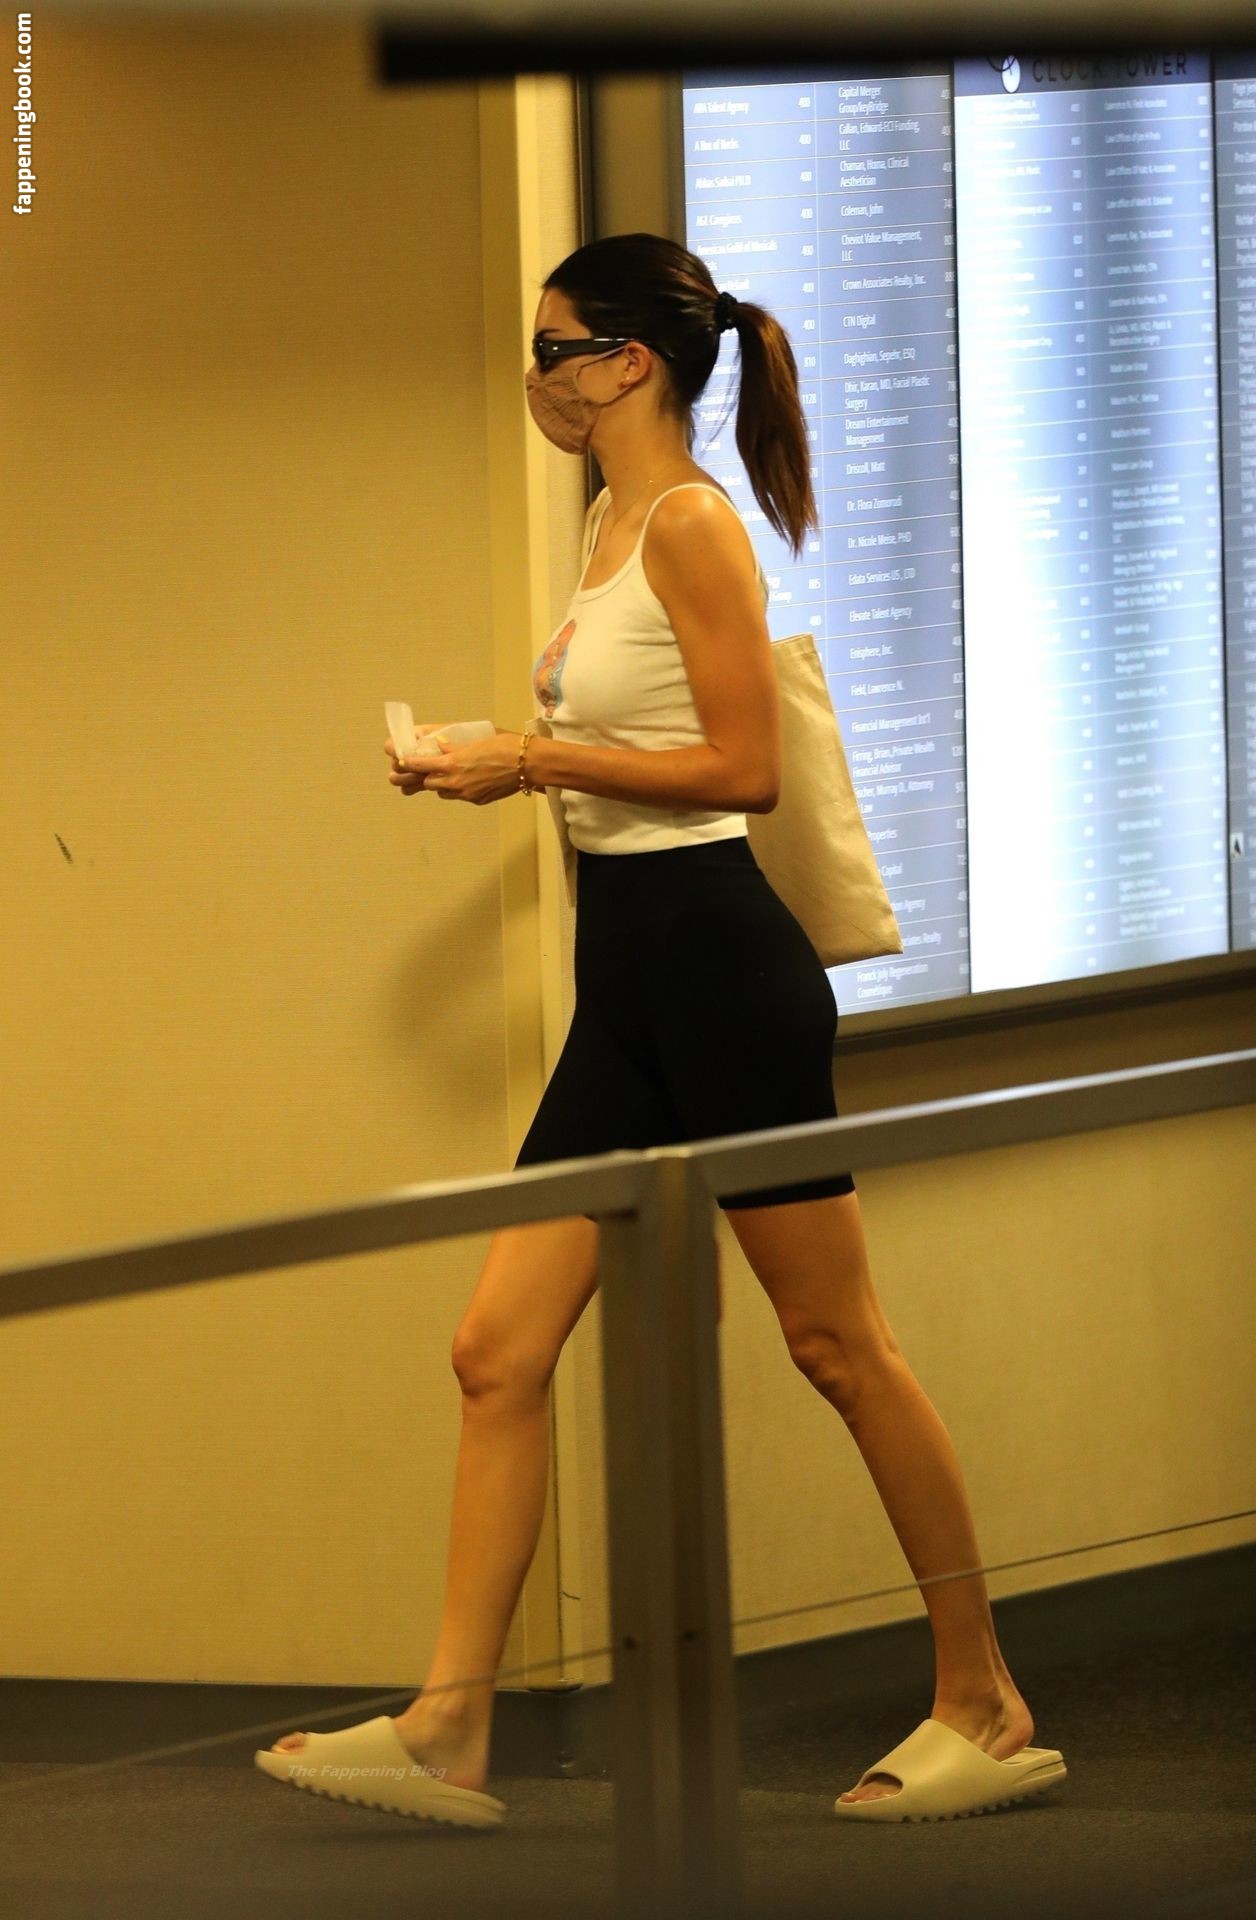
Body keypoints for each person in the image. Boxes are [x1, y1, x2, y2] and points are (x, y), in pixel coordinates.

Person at [259, 232, 1053, 1827]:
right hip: (627, 982)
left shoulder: (690, 523)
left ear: (628, 363)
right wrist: (500, 755)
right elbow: (632, 742)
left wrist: (530, 762)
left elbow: (745, 772)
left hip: (720, 973)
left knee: (837, 1346)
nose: (537, 376)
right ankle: (450, 1725)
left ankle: (984, 1695)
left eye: (555, 348)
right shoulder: (607, 520)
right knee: (496, 1351)